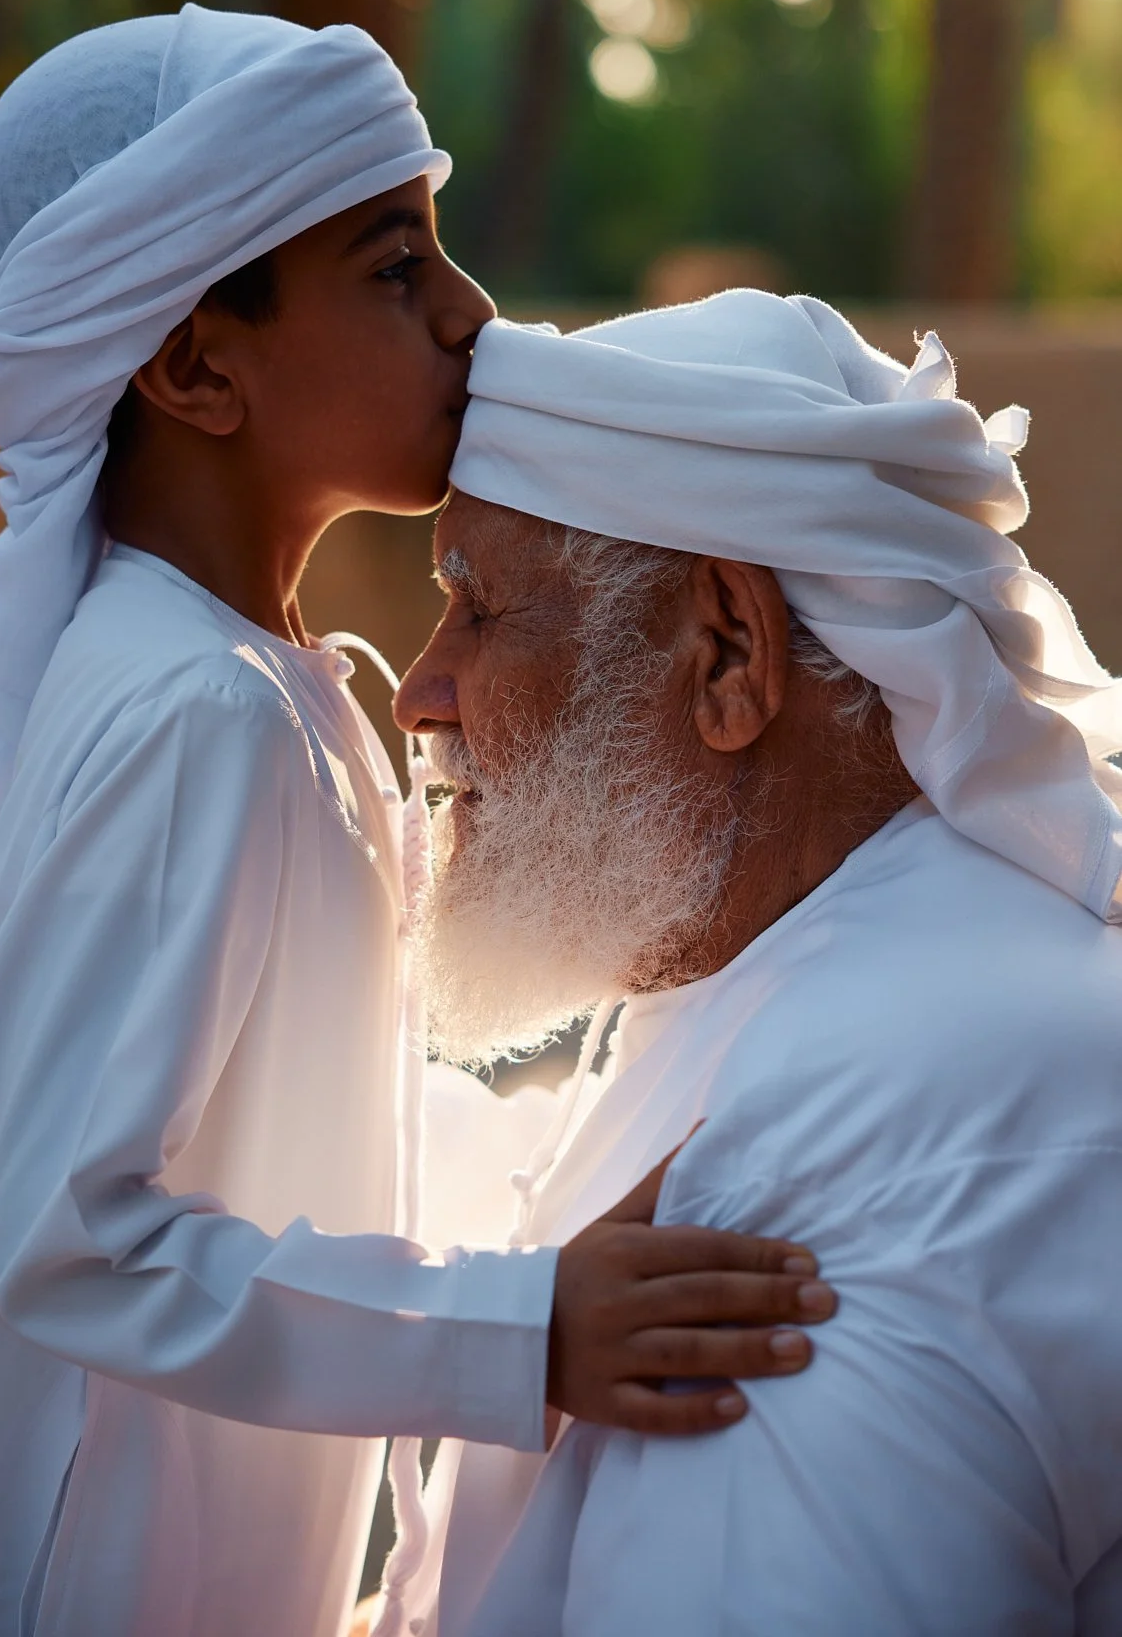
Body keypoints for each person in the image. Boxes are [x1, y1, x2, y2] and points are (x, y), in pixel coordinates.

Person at [0, 13, 832, 1637]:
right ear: (196, 365)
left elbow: (302, 1122)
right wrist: (517, 1333)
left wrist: (560, 1200)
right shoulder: (194, 710)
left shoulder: (277, 684)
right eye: (396, 262)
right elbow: (69, 1239)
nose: (470, 311)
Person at [390, 289, 1122, 1636]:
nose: (418, 693)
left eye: (477, 610)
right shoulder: (819, 953)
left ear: (726, 651)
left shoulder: (836, 1157)